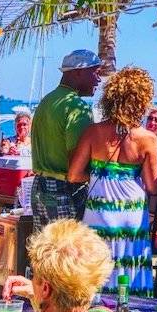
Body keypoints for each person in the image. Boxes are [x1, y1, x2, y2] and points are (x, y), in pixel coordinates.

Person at [66, 67, 157, 294]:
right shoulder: (148, 139)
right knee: (130, 266)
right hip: (131, 213)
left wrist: (100, 174)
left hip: (99, 210)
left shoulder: (93, 132)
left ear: (111, 97)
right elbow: (152, 185)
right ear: (143, 100)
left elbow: (74, 175)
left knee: (96, 267)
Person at [31, 49, 105, 224]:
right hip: (63, 190)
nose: (99, 79)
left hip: (39, 187)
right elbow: (76, 168)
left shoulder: (46, 101)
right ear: (79, 72)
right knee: (69, 249)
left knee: (45, 249)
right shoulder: (76, 107)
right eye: (95, 73)